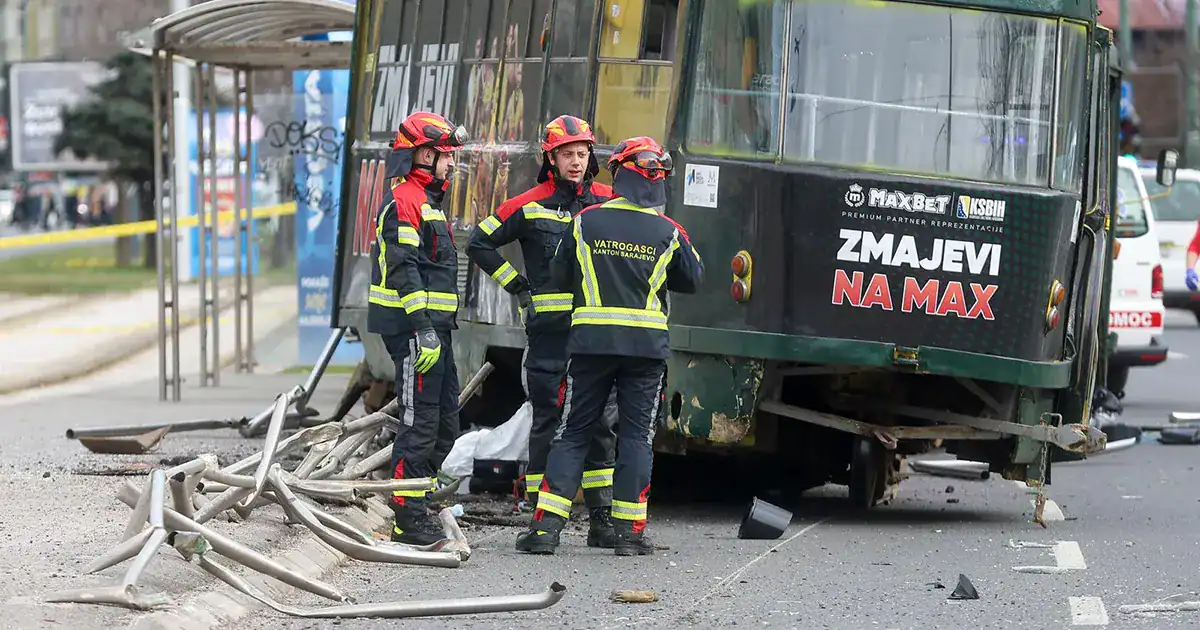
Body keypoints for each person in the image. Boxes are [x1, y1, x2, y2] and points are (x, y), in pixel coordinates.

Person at [515, 136, 704, 556]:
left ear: (619, 174)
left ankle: (545, 530)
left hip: (590, 346)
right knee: (636, 436)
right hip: (646, 351)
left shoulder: (585, 221)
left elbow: (562, 274)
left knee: (574, 431)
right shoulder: (669, 232)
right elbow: (693, 279)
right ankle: (629, 534)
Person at [467, 114, 621, 549]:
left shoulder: (609, 201)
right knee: (546, 422)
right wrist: (516, 285)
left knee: (599, 424)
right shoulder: (528, 204)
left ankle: (602, 517)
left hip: (595, 334)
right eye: (568, 154)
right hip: (549, 336)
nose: (576, 161)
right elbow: (478, 242)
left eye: (582, 153)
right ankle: (540, 512)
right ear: (550, 158)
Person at [366, 110, 469, 546]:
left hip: (434, 331)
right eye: (444, 156)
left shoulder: (427, 204)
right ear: (422, 155)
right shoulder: (404, 202)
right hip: (415, 333)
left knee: (446, 423)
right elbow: (404, 271)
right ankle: (407, 519)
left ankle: (419, 503)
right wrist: (422, 329)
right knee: (419, 422)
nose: (450, 164)